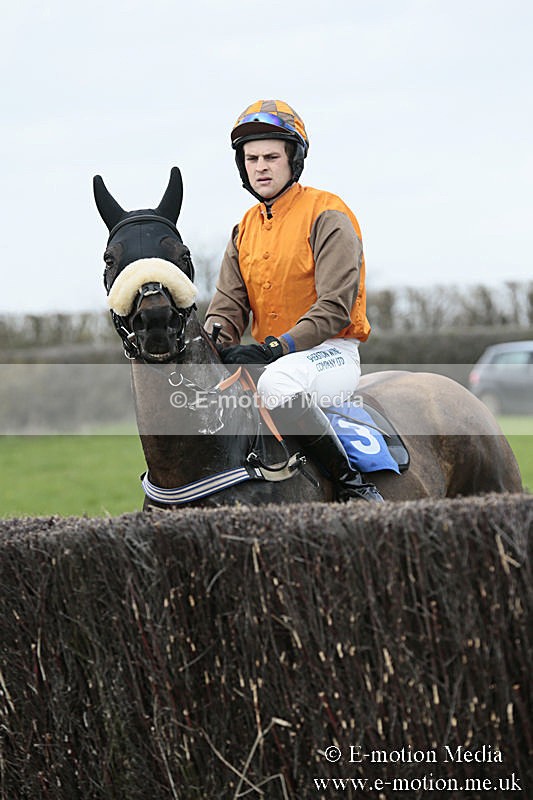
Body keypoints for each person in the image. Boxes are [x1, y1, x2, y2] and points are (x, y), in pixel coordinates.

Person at [205, 100, 383, 502]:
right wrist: (213, 342)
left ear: (293, 160)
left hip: (330, 353)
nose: (261, 166)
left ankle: (354, 488)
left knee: (278, 384)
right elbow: (227, 306)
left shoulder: (329, 214)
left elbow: (335, 306)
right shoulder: (244, 228)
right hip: (271, 358)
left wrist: (274, 348)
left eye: (271, 156)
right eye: (251, 158)